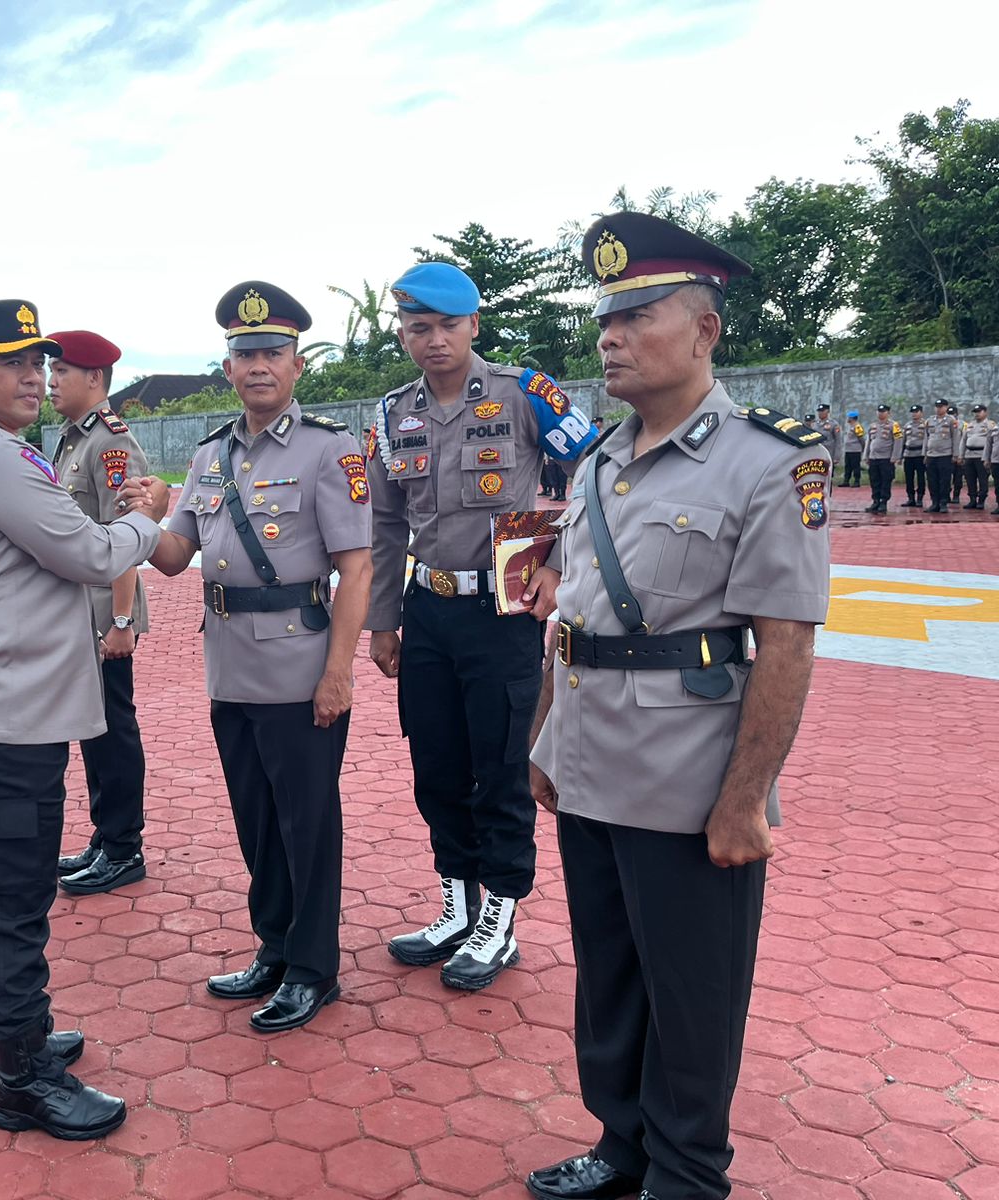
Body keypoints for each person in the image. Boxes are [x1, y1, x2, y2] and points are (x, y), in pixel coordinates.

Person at [525, 213, 831, 1200]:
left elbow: (784, 642)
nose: (608, 337)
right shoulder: (596, 462)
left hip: (688, 779)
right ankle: (623, 1148)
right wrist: (542, 743)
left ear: (704, 329)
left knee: (690, 996)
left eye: (636, 316)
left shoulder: (773, 461)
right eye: (603, 320)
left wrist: (747, 798)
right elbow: (568, 619)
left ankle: (688, 1174)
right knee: (609, 981)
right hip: (589, 764)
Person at [0, 300, 166, 1140]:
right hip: (3, 721)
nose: (33, 376)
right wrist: (148, 515)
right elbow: (92, 554)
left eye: (40, 362)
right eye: (13, 361)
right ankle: (22, 1079)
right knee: (13, 900)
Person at [139, 281, 372, 1033]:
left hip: (301, 665)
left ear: (297, 364)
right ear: (228, 367)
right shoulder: (209, 456)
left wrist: (340, 671)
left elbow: (357, 568)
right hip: (231, 668)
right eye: (244, 355)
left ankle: (313, 969)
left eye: (272, 352)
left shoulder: (330, 448)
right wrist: (148, 519)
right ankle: (274, 945)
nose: (258, 365)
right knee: (256, 821)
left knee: (308, 823)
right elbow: (177, 557)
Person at [365, 261, 594, 990]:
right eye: (418, 327)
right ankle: (456, 906)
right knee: (435, 765)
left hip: (503, 609)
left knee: (498, 768)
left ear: (474, 325)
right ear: (402, 332)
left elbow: (599, 468)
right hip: (427, 609)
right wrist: (382, 622)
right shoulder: (393, 412)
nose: (433, 340)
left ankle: (500, 916)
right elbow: (386, 520)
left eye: (447, 326)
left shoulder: (525, 393)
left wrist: (559, 559)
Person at [46, 329, 152, 896]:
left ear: (95, 379)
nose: (51, 381)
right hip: (80, 614)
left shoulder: (112, 445)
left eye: (62, 371)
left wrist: (121, 620)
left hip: (105, 615)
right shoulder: (72, 441)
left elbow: (125, 538)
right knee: (93, 729)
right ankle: (103, 836)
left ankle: (124, 847)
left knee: (114, 730)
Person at [925, 398, 959, 513]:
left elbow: (955, 438)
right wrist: (924, 453)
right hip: (931, 455)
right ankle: (935, 502)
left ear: (946, 407)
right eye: (937, 407)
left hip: (945, 454)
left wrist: (955, 454)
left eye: (941, 407)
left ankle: (943, 503)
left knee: (944, 480)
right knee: (932, 480)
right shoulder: (929, 420)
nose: (939, 409)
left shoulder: (951, 420)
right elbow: (926, 438)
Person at [863, 404, 899, 515]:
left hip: (886, 458)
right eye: (879, 411)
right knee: (874, 481)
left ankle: (884, 501)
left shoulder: (894, 425)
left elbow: (898, 442)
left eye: (883, 411)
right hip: (874, 458)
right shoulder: (873, 426)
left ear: (888, 413)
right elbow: (868, 441)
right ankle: (876, 501)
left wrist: (895, 456)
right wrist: (866, 455)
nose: (880, 413)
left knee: (885, 481)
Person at [961, 403, 994, 509]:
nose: (977, 414)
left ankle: (981, 500)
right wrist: (961, 456)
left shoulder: (990, 425)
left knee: (982, 479)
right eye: (975, 412)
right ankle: (972, 500)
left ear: (985, 412)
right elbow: (963, 441)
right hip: (969, 455)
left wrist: (989, 458)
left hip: (982, 456)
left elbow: (992, 442)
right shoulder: (969, 425)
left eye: (979, 412)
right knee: (970, 479)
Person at [897, 404, 927, 507]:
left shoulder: (925, 424)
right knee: (909, 478)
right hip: (908, 454)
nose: (914, 414)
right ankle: (910, 498)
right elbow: (903, 441)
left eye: (916, 411)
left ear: (921, 413)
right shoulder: (907, 425)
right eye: (913, 412)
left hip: (920, 455)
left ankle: (920, 498)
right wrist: (900, 456)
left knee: (920, 478)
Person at [815, 403, 842, 474]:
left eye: (822, 411)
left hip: (828, 454)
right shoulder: (815, 424)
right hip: (816, 453)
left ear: (827, 412)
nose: (820, 413)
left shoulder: (833, 424)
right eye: (819, 411)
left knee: (827, 475)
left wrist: (836, 457)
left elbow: (838, 441)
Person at [841, 410, 864, 487]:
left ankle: (856, 481)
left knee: (856, 466)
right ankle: (846, 481)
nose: (847, 419)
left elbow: (861, 439)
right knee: (848, 466)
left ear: (852, 418)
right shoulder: (849, 426)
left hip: (855, 450)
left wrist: (862, 448)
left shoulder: (857, 426)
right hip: (848, 450)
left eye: (849, 417)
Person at [951, 405, 966, 506]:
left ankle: (956, 496)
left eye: (952, 413)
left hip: (959, 455)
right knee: (945, 478)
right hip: (947, 454)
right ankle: (946, 496)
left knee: (958, 477)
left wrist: (961, 455)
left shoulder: (964, 425)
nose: (951, 415)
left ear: (956, 414)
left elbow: (964, 440)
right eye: (949, 413)